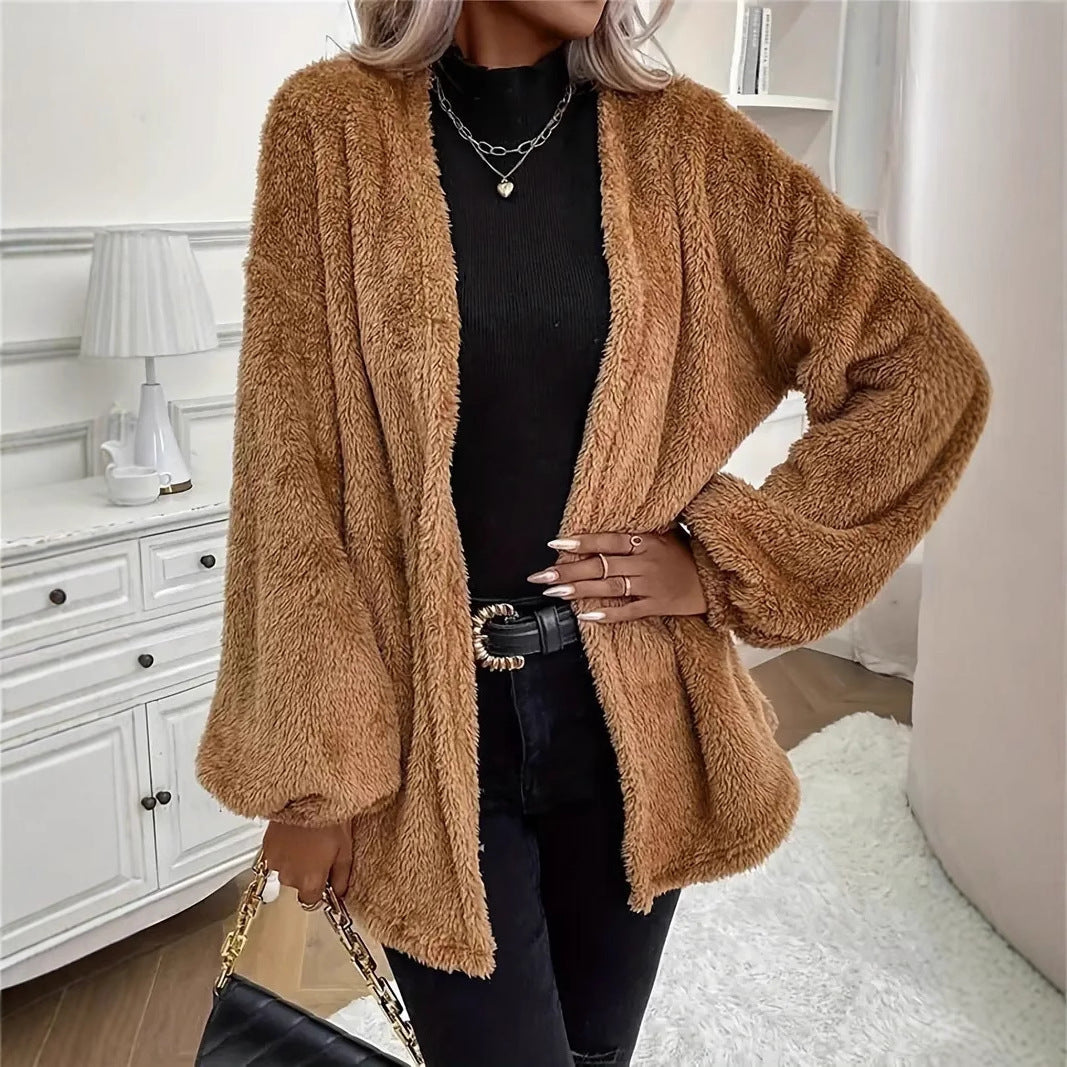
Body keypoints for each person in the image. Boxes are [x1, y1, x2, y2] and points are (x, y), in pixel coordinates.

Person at [195, 1, 990, 1064]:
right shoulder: (330, 129)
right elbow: (290, 475)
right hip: (430, 730)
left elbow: (923, 371)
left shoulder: (687, 144)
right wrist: (311, 777)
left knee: (595, 1051)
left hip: (628, 714)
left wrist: (722, 559)